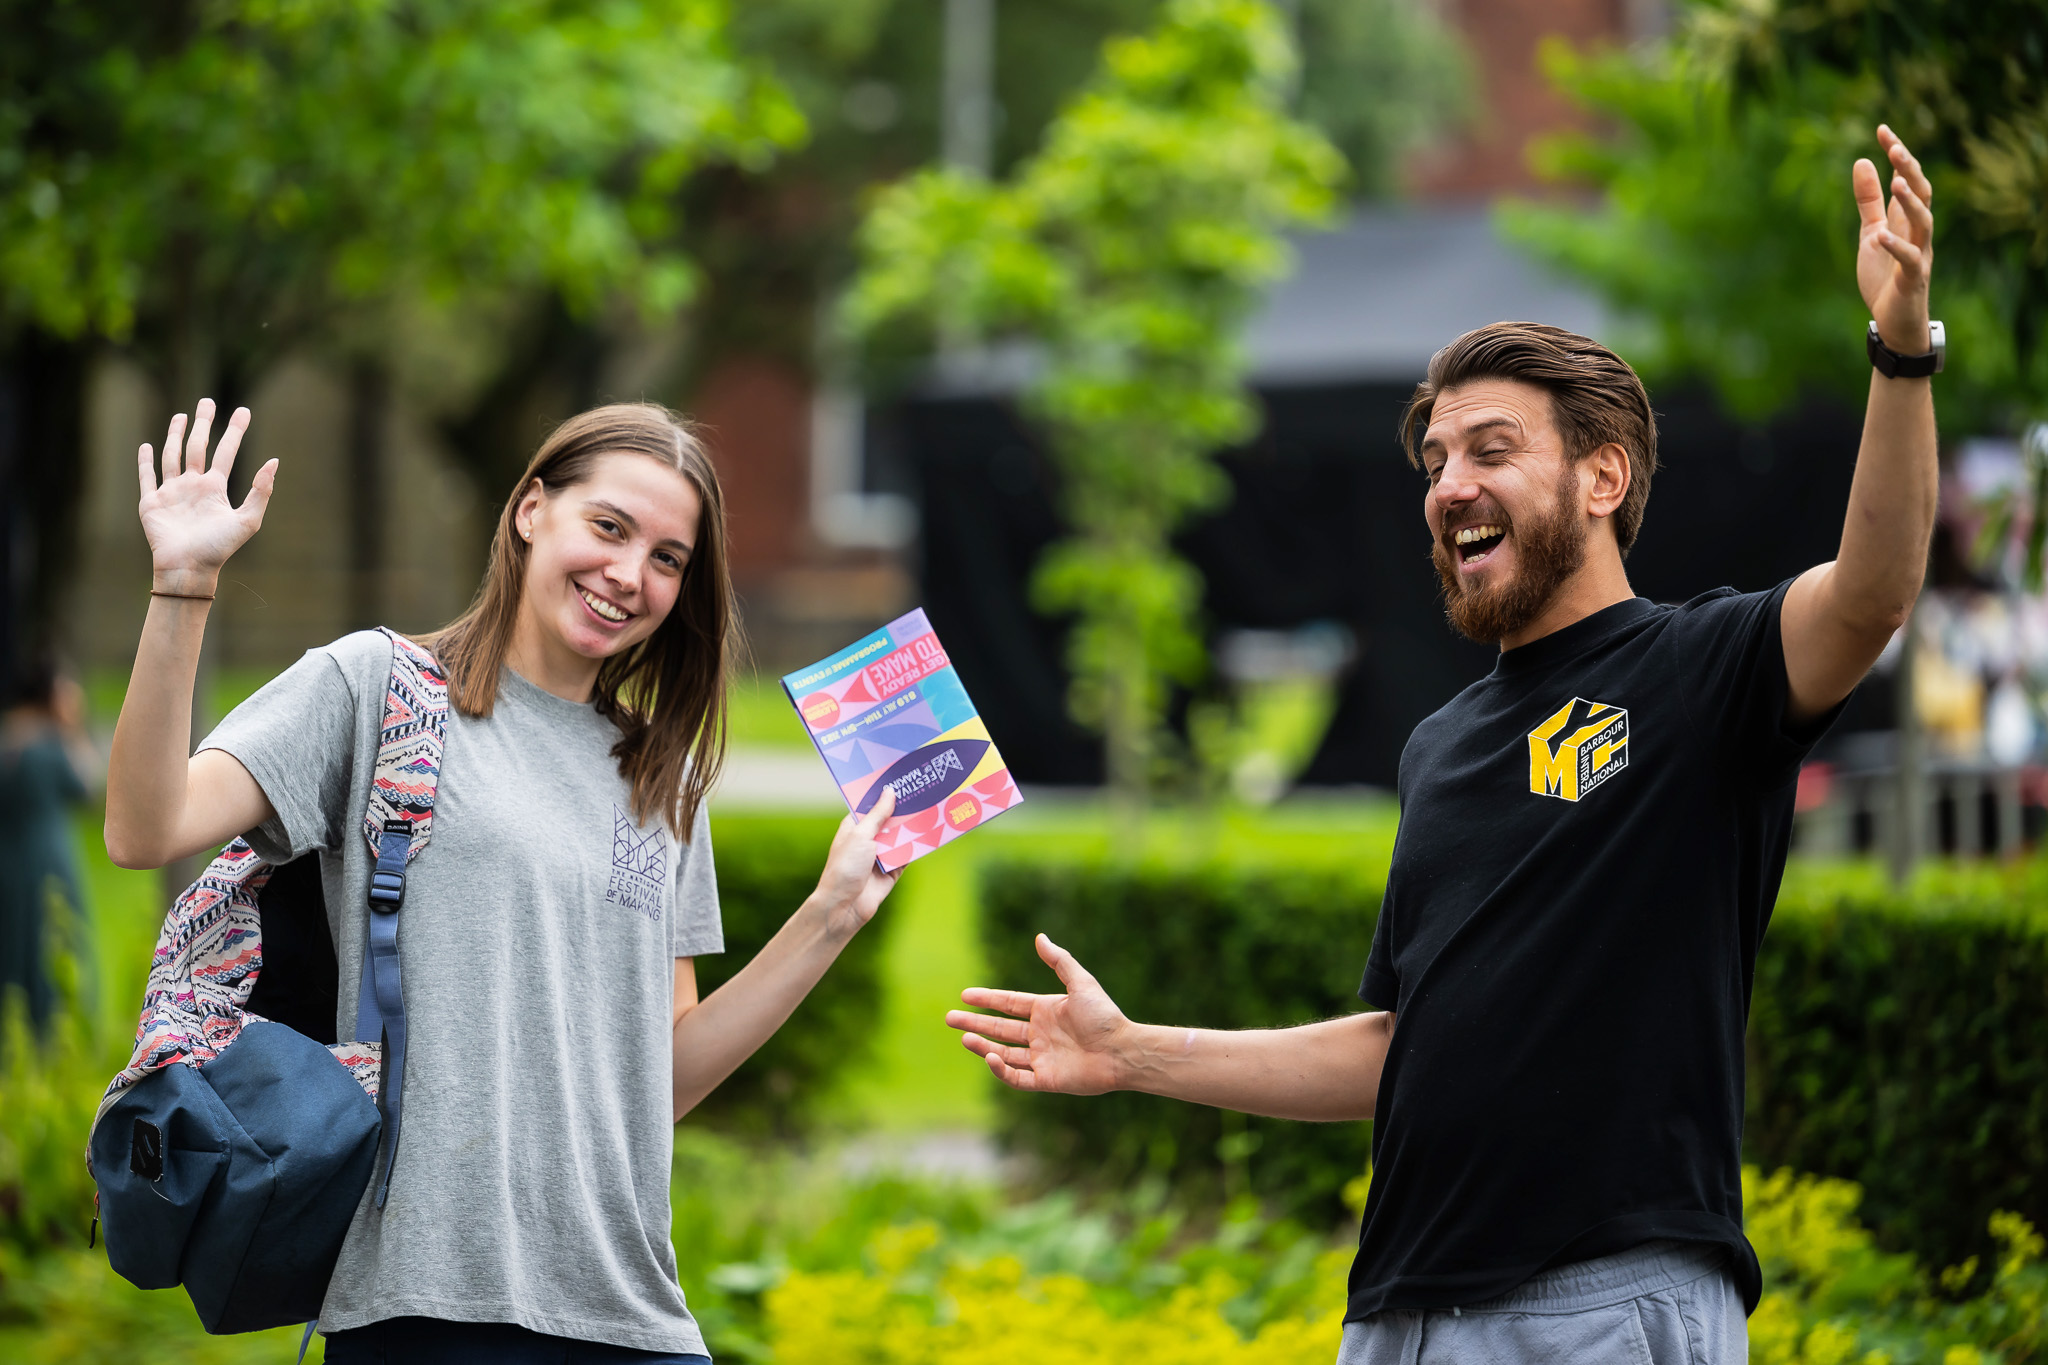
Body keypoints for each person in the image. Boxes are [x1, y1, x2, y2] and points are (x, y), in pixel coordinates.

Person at [948, 126, 1940, 1364]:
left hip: (1601, 1308)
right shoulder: (1442, 744)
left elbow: (1872, 592)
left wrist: (1899, 353)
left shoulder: (1700, 670)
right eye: (1432, 462)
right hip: (1401, 1319)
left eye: (1490, 450)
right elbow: (1399, 1048)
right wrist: (1134, 1052)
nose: (1446, 486)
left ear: (1600, 477)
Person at [103, 400, 899, 1363]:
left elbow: (659, 1080)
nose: (628, 574)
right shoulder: (375, 689)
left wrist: (831, 915)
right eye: (608, 527)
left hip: (633, 1311)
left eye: (667, 558)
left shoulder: (662, 779)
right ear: (531, 511)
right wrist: (182, 589)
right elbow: (147, 828)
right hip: (426, 1305)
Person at [0, 659, 97, 1029]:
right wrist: (72, 727)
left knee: (13, 939)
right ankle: (54, 1025)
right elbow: (86, 786)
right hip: (49, 855)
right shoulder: (50, 746)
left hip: (8, 855)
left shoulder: (9, 738)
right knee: (54, 937)